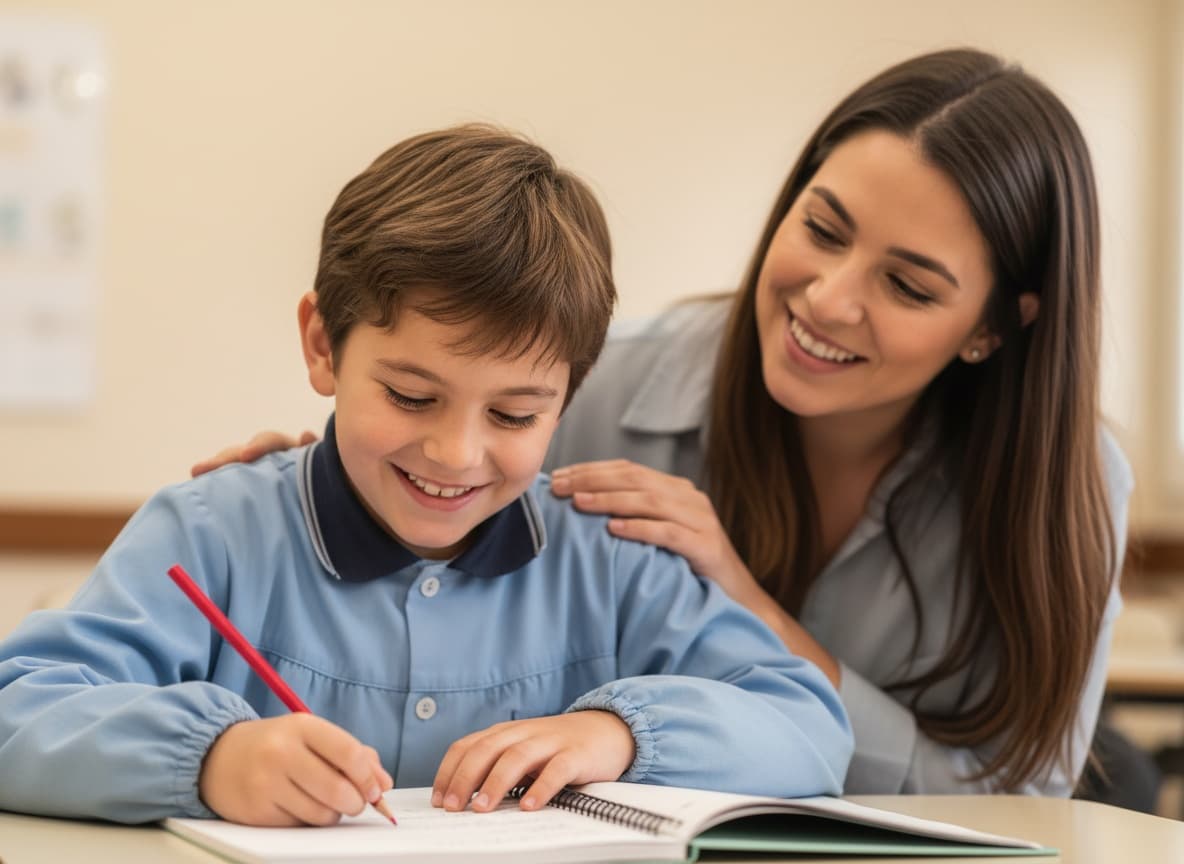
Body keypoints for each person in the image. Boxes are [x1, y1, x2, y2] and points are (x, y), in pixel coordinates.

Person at [201, 49, 1134, 798]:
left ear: (994, 327)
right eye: (822, 229)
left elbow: (1021, 792)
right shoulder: (599, 383)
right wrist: (328, 484)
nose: (828, 298)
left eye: (907, 285)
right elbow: (447, 487)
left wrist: (747, 604)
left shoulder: (1069, 482)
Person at [0, 126, 853, 826]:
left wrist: (619, 734)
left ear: (569, 396)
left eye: (513, 415)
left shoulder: (614, 557)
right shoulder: (211, 532)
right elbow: (19, 711)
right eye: (412, 396)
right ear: (323, 345)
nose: (456, 454)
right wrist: (210, 758)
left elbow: (809, 725)